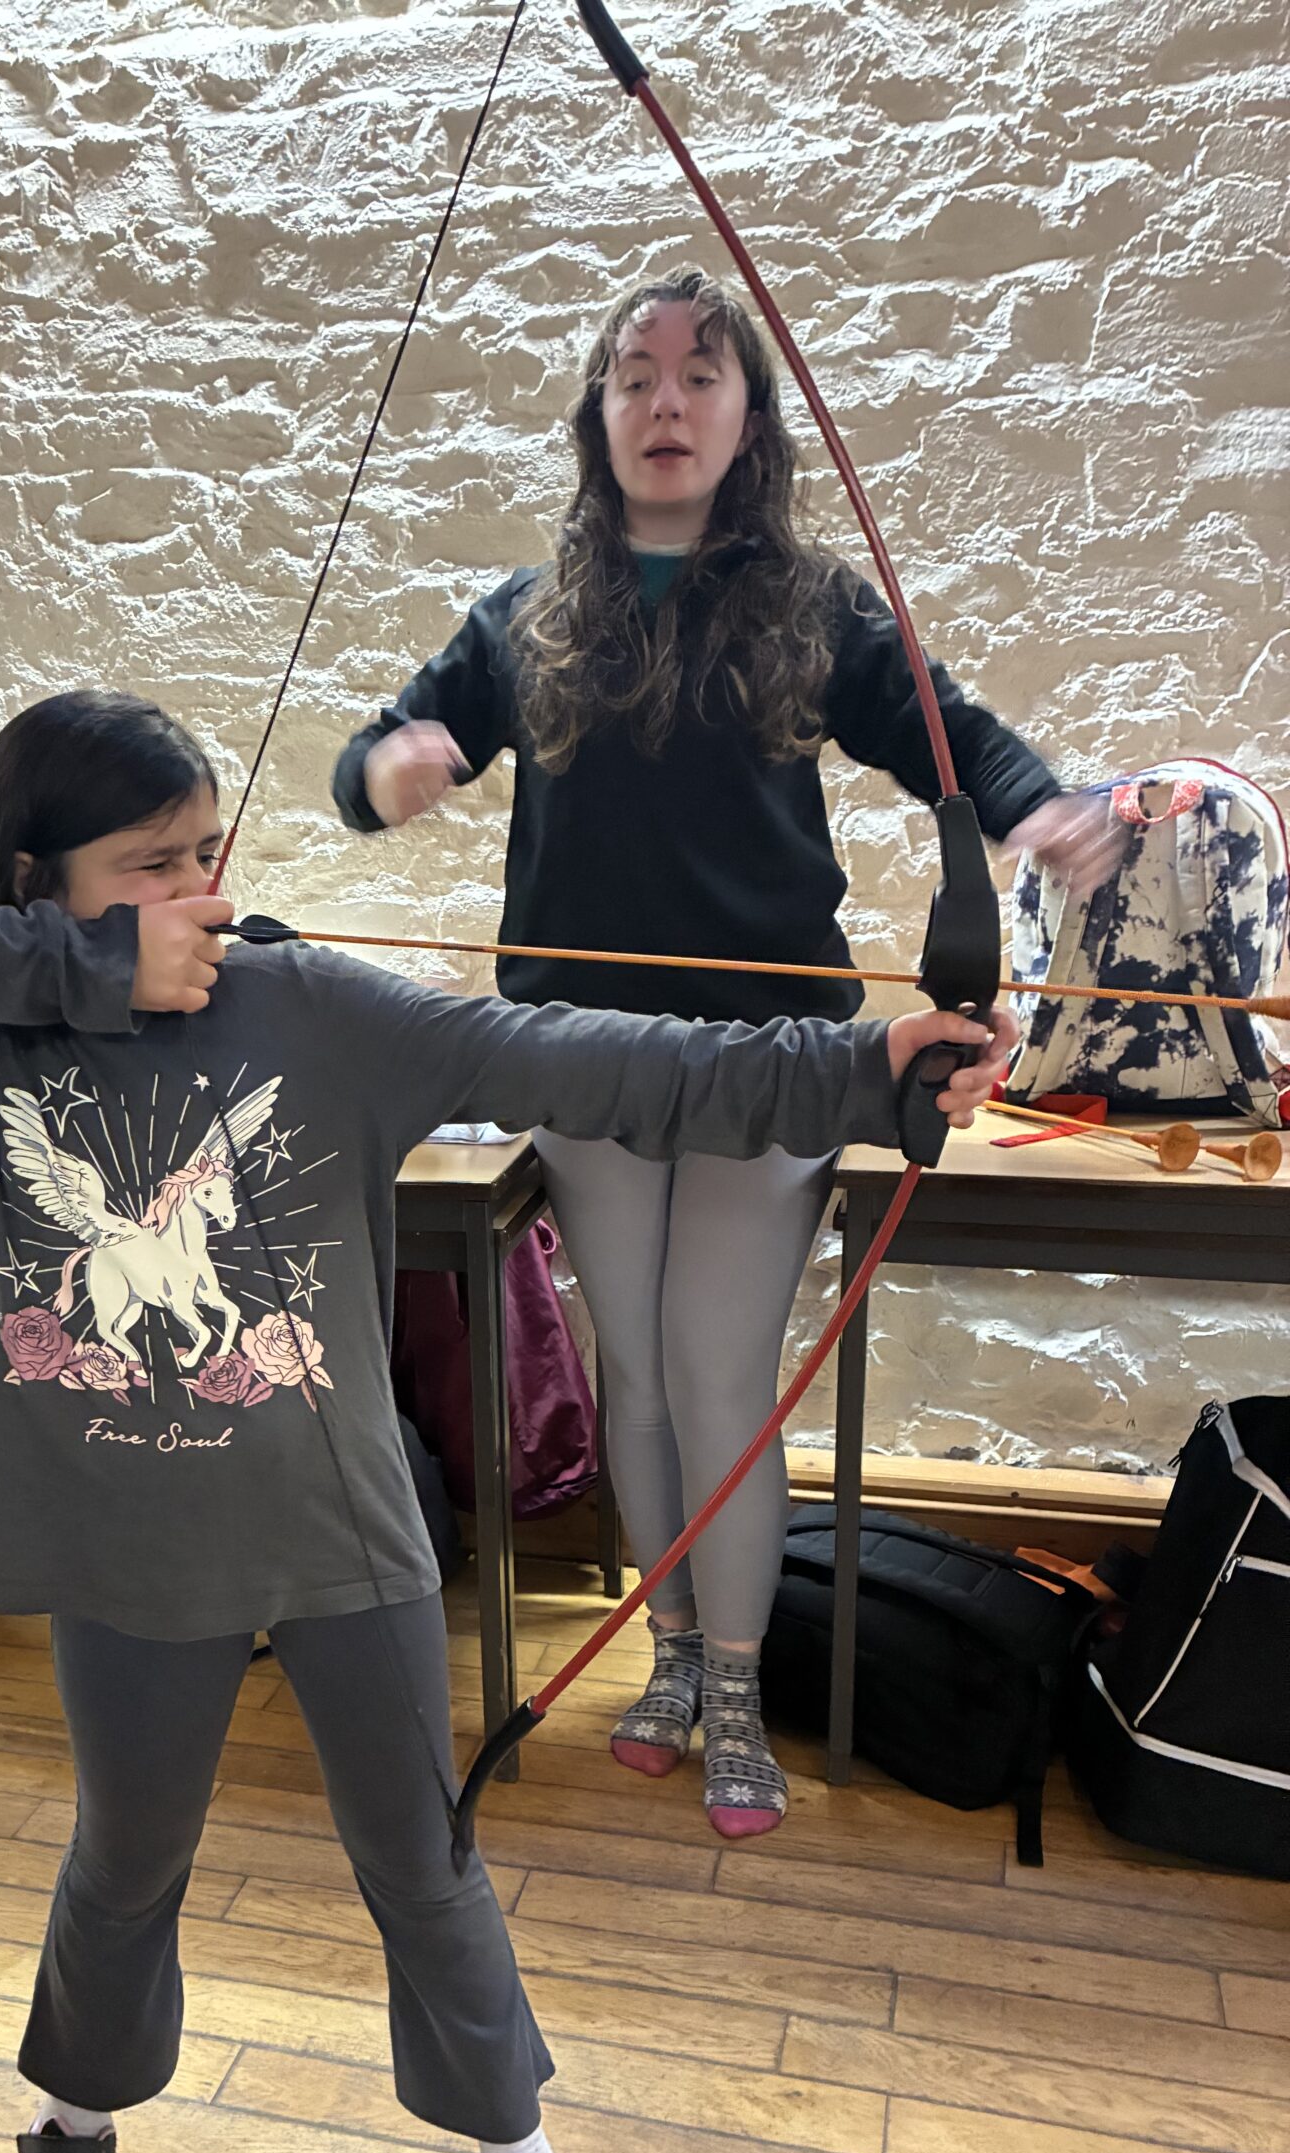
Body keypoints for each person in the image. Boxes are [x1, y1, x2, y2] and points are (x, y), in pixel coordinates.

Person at [0, 687, 1009, 2153]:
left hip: (343, 1536)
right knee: (125, 1860)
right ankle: (70, 2130)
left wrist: (857, 1069)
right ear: (38, 883)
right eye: (150, 867)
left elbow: (585, 1057)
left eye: (210, 853)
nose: (201, 895)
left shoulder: (309, 1005)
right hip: (125, 1550)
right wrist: (84, 973)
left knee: (422, 1859)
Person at [333, 270, 1120, 1838]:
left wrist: (1035, 807)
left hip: (771, 1057)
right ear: (598, 414)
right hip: (585, 1050)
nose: (666, 402)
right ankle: (675, 1652)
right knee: (634, 1372)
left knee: (716, 1372)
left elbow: (946, 729)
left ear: (749, 418)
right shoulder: (525, 616)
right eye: (634, 375)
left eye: (701, 375)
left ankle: (744, 1682)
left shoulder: (811, 606)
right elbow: (375, 760)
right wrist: (388, 768)